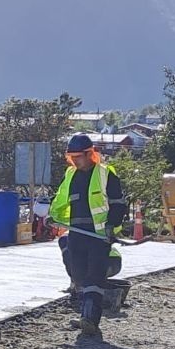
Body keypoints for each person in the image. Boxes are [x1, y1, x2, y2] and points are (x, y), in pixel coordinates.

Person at [49, 134, 126, 337]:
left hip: (98, 236)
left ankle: (90, 319)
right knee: (80, 276)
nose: (74, 161)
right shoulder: (71, 175)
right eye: (71, 157)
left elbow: (118, 204)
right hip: (77, 234)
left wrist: (111, 226)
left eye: (78, 157)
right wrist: (52, 217)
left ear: (89, 154)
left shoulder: (105, 174)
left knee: (94, 278)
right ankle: (85, 315)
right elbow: (61, 200)